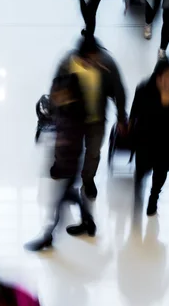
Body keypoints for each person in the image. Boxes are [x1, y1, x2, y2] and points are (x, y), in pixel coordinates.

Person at [25, 73, 96, 251]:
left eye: (59, 92)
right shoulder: (67, 109)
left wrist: (58, 167)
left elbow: (69, 146)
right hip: (68, 167)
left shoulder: (73, 115)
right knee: (70, 197)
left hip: (67, 168)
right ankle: (88, 222)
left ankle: (48, 236)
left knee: (56, 204)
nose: (55, 95)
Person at [53, 35, 127, 200]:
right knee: (66, 148)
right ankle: (60, 166)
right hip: (72, 120)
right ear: (80, 58)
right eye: (91, 59)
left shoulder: (106, 65)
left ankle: (88, 180)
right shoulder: (67, 65)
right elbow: (55, 89)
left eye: (97, 57)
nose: (96, 62)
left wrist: (121, 117)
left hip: (96, 119)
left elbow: (119, 91)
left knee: (93, 152)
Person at [129, 58, 169, 216]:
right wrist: (130, 127)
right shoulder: (145, 89)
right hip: (146, 139)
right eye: (161, 77)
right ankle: (138, 193)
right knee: (141, 171)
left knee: (160, 174)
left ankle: (153, 198)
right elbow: (135, 111)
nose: (164, 81)